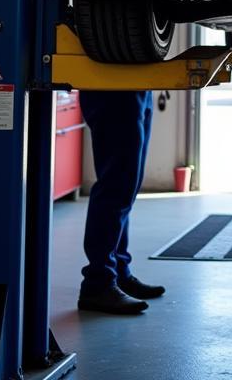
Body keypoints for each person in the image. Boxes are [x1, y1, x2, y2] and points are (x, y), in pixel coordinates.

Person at [77, 89, 166, 315]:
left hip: (138, 86)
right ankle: (99, 283)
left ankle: (119, 271)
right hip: (112, 87)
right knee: (116, 185)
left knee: (128, 187)